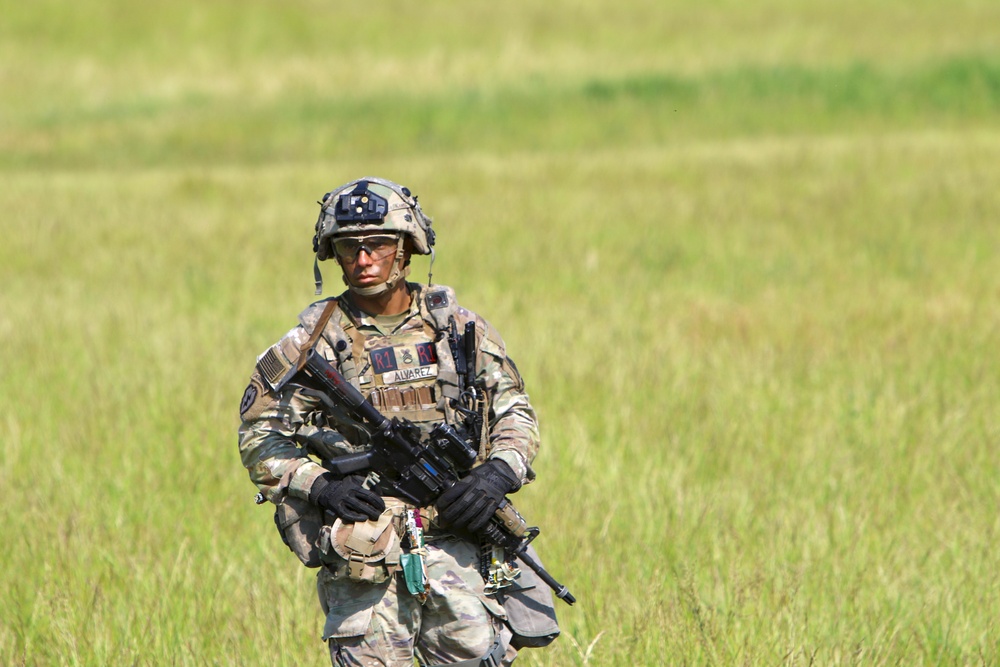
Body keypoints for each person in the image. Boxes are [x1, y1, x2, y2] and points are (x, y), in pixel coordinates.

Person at [238, 177, 550, 666]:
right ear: (333, 254)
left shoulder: (459, 330)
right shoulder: (308, 346)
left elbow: (515, 411)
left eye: (378, 244)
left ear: (407, 247)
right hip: (366, 561)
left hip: (458, 548)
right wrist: (320, 487)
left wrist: (497, 473)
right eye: (348, 248)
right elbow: (260, 436)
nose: (363, 260)